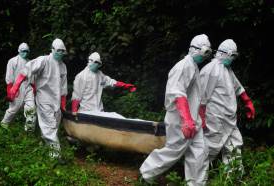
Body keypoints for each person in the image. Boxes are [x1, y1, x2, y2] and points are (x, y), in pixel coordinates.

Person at [139, 34, 212, 185]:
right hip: (180, 120)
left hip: (193, 120)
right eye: (205, 51)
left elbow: (198, 97)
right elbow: (177, 94)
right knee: (173, 151)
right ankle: (146, 174)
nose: (206, 56)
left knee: (200, 151)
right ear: (195, 49)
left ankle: (197, 183)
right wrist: (186, 120)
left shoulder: (194, 68)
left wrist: (200, 119)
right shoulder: (183, 66)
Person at [199, 39, 255, 175]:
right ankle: (196, 176)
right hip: (215, 117)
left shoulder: (226, 69)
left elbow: (237, 87)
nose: (233, 59)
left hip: (229, 117)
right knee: (211, 147)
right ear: (226, 53)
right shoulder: (210, 70)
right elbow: (202, 97)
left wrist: (248, 102)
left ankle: (233, 176)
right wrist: (201, 117)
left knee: (234, 145)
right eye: (232, 56)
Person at [8, 38, 68, 158]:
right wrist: (15, 87)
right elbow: (26, 70)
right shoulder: (43, 60)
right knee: (49, 125)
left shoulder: (63, 66)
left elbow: (63, 87)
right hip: (44, 98)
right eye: (58, 50)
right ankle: (55, 156)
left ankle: (44, 144)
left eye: (63, 51)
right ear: (52, 49)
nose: (60, 53)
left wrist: (63, 104)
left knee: (54, 123)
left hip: (55, 100)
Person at [71, 52, 136, 114]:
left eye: (98, 63)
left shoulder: (100, 74)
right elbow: (77, 94)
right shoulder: (81, 76)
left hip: (99, 111)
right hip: (86, 111)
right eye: (95, 62)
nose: (97, 64)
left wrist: (125, 85)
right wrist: (74, 109)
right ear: (90, 61)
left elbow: (110, 82)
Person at [1, 43, 36, 132]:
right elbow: (9, 77)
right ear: (19, 51)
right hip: (16, 88)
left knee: (31, 108)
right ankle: (4, 125)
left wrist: (34, 88)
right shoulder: (13, 61)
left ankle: (29, 130)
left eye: (27, 51)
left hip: (28, 88)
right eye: (23, 51)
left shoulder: (30, 62)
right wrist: (10, 91)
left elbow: (32, 77)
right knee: (13, 109)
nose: (25, 53)